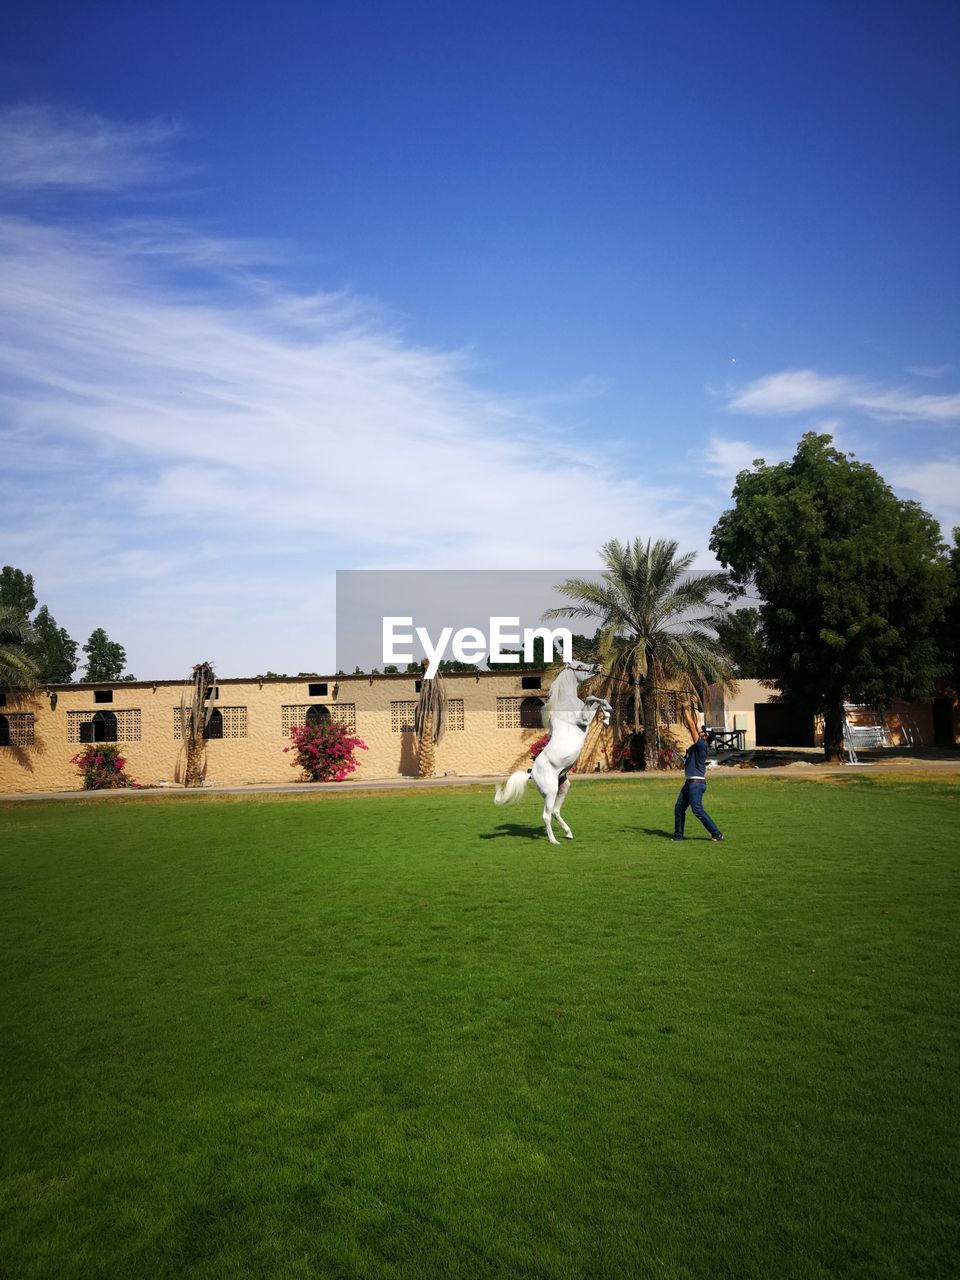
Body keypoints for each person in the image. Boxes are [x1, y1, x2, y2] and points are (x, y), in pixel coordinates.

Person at [672, 714, 723, 842]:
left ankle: (717, 834)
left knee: (697, 810)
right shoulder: (696, 747)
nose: (701, 732)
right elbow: (698, 723)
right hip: (689, 783)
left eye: (703, 732)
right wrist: (693, 706)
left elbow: (693, 727)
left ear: (705, 737)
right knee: (679, 809)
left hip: (696, 783)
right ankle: (678, 836)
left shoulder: (702, 745)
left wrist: (685, 710)